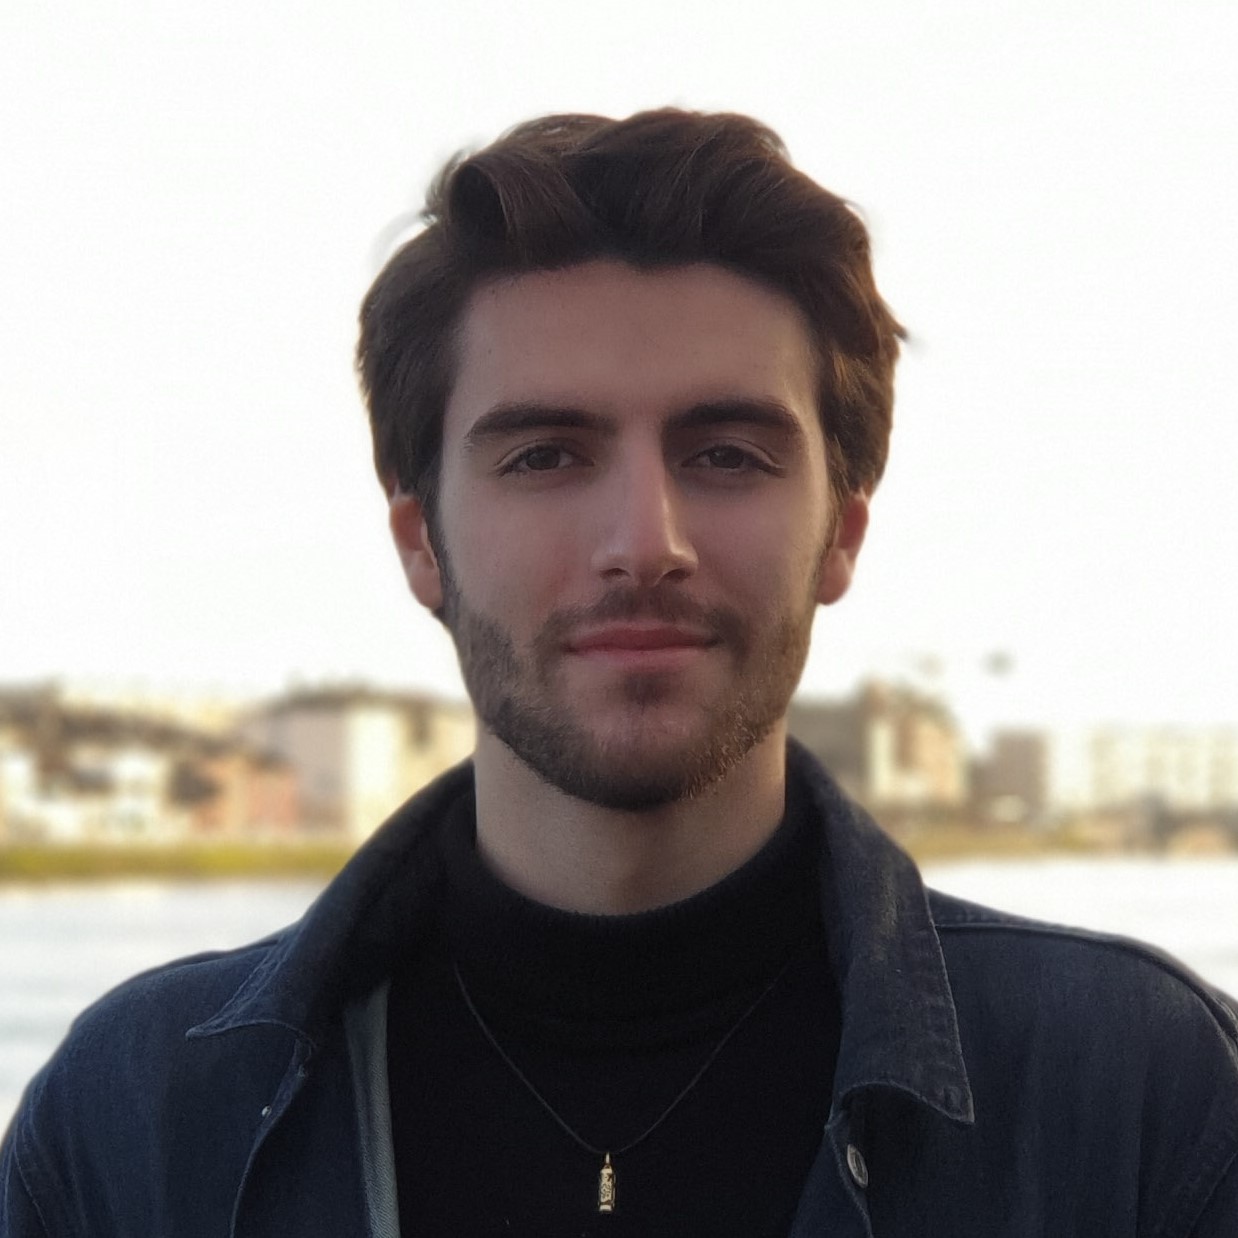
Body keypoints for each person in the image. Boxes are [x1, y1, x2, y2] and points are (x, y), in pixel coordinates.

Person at [3, 108, 1236, 1238]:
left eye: (727, 453)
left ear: (840, 534)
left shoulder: (1139, 1093)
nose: (645, 541)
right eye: (544, 455)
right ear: (422, 542)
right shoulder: (136, 1120)